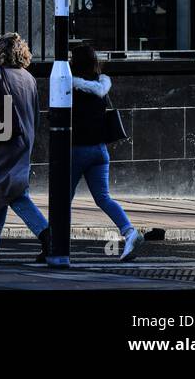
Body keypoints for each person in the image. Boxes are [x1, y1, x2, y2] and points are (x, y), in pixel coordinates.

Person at [0, 32, 51, 262]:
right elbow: (36, 114)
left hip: (3, 143)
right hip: (24, 140)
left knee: (12, 192)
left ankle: (47, 235)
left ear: (1, 51)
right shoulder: (29, 77)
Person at [70, 45, 142, 261]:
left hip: (77, 150)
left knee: (63, 200)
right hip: (100, 151)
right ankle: (129, 232)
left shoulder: (71, 87)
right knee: (103, 197)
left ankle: (54, 244)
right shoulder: (102, 86)